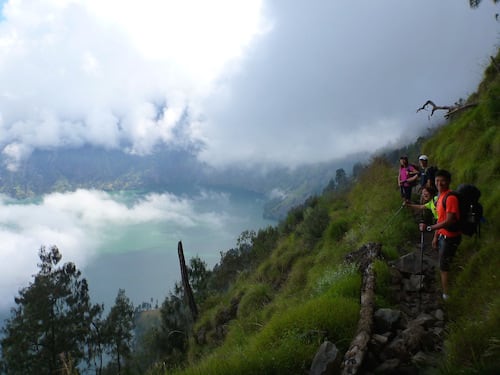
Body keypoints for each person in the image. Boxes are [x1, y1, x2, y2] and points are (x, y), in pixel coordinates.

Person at [423, 169, 461, 301]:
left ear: (449, 181)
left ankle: (447, 295)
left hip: (450, 237)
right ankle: (449, 283)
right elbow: (440, 218)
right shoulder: (440, 197)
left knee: (444, 266)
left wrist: (430, 228)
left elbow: (449, 220)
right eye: (437, 180)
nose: (439, 183)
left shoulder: (450, 198)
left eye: (442, 180)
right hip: (442, 236)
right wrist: (435, 236)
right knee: (444, 262)